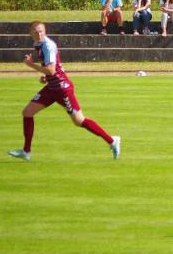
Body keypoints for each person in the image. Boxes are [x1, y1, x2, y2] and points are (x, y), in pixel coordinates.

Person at [7, 21, 120, 162]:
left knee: (79, 121)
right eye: (36, 32)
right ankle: (26, 151)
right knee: (27, 112)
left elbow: (52, 70)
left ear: (45, 31)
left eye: (41, 31)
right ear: (30, 33)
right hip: (52, 87)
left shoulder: (47, 45)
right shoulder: (39, 44)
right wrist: (46, 77)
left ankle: (112, 140)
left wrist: (31, 65)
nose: (39, 34)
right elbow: (52, 69)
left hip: (62, 89)